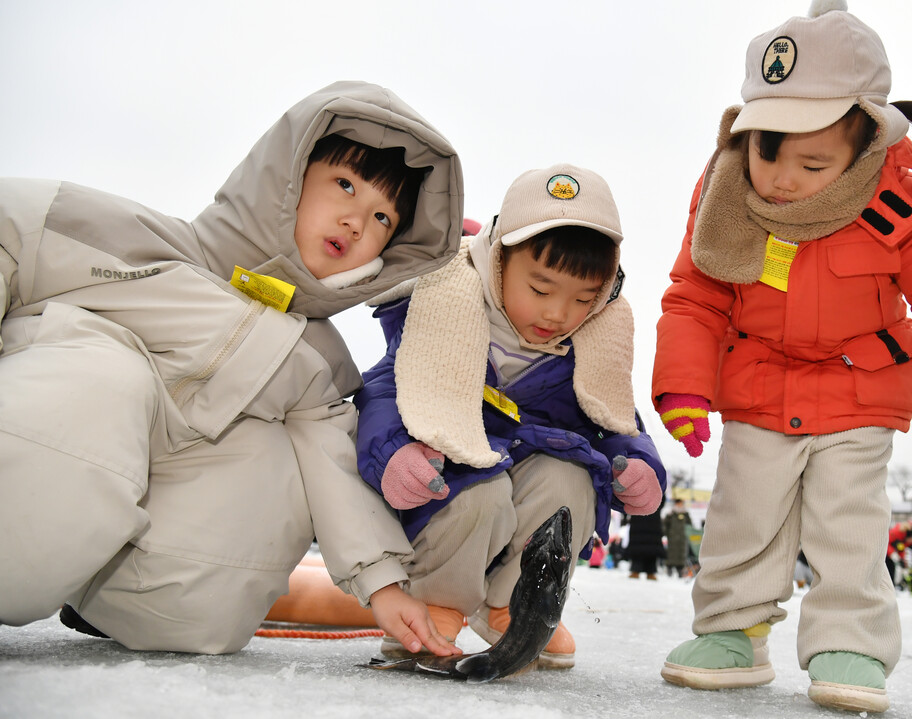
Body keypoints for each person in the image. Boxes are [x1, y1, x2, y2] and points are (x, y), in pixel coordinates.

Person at [650, 2, 912, 713]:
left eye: (811, 163)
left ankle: (850, 643)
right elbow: (694, 297)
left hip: (858, 387)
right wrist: (683, 386)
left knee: (847, 522)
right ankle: (733, 632)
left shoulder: (893, 199)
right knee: (744, 517)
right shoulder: (726, 198)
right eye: (767, 153)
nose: (781, 179)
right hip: (757, 386)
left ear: (865, 141)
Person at [0, 81, 465, 657]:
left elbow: (336, 473)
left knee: (282, 456)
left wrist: (384, 585)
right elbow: (13, 229)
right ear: (287, 180)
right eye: (344, 185)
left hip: (156, 544)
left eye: (382, 218)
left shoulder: (317, 361)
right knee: (105, 377)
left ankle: (143, 607)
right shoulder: (131, 242)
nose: (355, 223)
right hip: (52, 446)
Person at [353, 163, 667, 668]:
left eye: (583, 298)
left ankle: (514, 606)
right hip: (453, 494)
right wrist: (393, 453)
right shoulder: (446, 311)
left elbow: (613, 419)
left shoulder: (584, 348)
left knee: (571, 483)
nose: (558, 314)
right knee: (478, 492)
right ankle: (435, 604)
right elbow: (387, 391)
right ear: (499, 262)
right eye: (541, 290)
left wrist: (639, 465)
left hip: (528, 485)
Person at [627, 504, 667, 580]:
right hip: (649, 517)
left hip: (642, 516)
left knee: (645, 547)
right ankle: (646, 571)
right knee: (646, 547)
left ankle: (640, 570)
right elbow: (661, 502)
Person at [663, 498, 696, 577]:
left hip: (682, 538)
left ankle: (680, 570)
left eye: (681, 503)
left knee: (681, 553)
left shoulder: (686, 514)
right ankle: (669, 568)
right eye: (679, 503)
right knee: (671, 553)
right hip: (672, 538)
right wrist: (667, 534)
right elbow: (665, 525)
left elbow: (690, 526)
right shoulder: (671, 514)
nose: (680, 505)